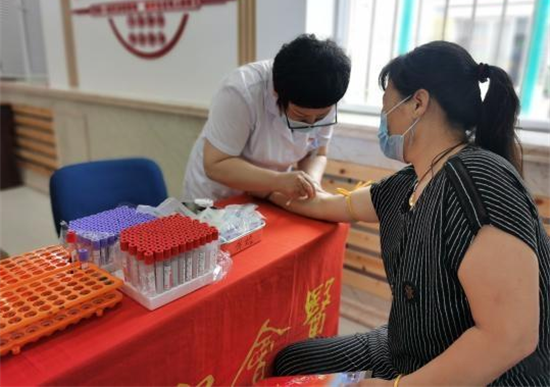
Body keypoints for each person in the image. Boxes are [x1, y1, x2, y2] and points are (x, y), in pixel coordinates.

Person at [267, 41, 549, 386]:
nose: (384, 122)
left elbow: (511, 338)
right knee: (291, 362)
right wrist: (266, 187)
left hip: (485, 375)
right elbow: (329, 205)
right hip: (409, 345)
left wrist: (396, 386)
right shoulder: (410, 182)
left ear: (418, 103)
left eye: (387, 107)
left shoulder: (483, 181)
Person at [182, 34, 351, 202]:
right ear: (277, 93)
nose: (312, 125)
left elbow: (316, 153)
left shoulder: (327, 92)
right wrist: (278, 181)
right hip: (217, 195)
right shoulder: (241, 91)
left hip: (268, 194)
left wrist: (311, 182)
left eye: (321, 117)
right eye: (302, 117)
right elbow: (216, 164)